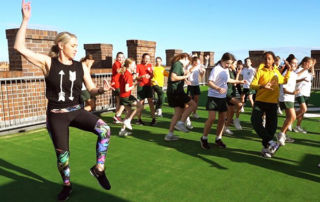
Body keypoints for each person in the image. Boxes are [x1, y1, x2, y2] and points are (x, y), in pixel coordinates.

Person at [14, 1, 113, 200]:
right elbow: (19, 47)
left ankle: (99, 168)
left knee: (105, 130)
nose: (76, 49)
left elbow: (91, 90)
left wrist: (101, 89)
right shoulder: (47, 62)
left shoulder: (81, 67)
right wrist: (25, 20)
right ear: (61, 45)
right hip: (56, 116)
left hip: (77, 111)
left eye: (77, 45)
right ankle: (67, 185)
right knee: (63, 157)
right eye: (73, 45)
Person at [200, 53, 245, 150]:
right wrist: (217, 88)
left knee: (222, 119)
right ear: (222, 60)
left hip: (222, 98)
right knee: (211, 119)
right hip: (213, 97)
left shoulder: (226, 69)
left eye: (230, 64)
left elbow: (228, 80)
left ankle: (218, 139)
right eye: (228, 63)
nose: (229, 65)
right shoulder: (216, 69)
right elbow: (209, 82)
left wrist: (239, 82)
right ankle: (204, 138)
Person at [250, 51, 291, 158]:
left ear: (273, 60)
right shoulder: (260, 70)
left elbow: (283, 81)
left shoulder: (276, 71)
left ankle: (266, 148)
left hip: (273, 103)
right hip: (260, 101)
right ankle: (271, 142)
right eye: (265, 59)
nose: (267, 61)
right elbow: (253, 85)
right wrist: (263, 86)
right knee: (255, 121)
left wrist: (289, 70)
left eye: (269, 59)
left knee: (271, 127)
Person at [165, 53, 196, 141]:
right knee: (193, 105)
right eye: (188, 62)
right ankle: (181, 123)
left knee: (178, 113)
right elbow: (173, 78)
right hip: (176, 91)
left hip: (173, 91)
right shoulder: (178, 64)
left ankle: (169, 135)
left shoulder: (177, 64)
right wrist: (185, 76)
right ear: (185, 58)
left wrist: (185, 78)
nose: (188, 64)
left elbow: (179, 74)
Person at [277, 55, 299, 145]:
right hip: (285, 98)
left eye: (296, 64)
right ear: (288, 64)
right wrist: (293, 93)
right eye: (293, 63)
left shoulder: (293, 73)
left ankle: (284, 135)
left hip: (290, 98)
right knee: (292, 117)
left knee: (290, 117)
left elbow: (299, 76)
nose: (295, 65)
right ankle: (281, 134)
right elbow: (284, 89)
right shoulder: (286, 73)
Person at [118, 58, 143, 136]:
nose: (135, 66)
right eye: (134, 65)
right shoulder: (128, 75)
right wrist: (134, 85)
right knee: (140, 106)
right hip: (126, 96)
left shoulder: (125, 73)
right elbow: (127, 88)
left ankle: (122, 130)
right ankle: (128, 121)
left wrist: (134, 80)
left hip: (123, 96)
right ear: (129, 65)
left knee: (129, 112)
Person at [293, 57, 314, 134]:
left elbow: (313, 76)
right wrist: (304, 69)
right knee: (304, 109)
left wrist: (312, 67)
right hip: (299, 93)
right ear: (304, 63)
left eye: (311, 64)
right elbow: (294, 79)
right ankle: (290, 119)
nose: (310, 65)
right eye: (309, 63)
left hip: (307, 93)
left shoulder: (308, 72)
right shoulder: (299, 70)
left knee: (302, 112)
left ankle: (297, 126)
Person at [136, 53, 156, 126]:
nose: (147, 60)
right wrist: (143, 76)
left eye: (148, 58)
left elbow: (152, 76)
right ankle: (139, 120)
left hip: (148, 86)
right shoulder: (138, 66)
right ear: (142, 58)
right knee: (141, 103)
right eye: (146, 58)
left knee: (151, 102)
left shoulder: (150, 66)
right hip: (141, 86)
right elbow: (136, 77)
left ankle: (153, 119)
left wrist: (152, 74)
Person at [224, 60, 244, 135]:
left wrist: (237, 73)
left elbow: (236, 84)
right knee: (239, 104)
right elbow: (235, 83)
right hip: (227, 93)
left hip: (232, 93)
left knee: (231, 112)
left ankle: (225, 128)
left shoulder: (233, 72)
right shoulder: (226, 71)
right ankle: (237, 120)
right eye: (235, 64)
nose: (236, 66)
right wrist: (238, 75)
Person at [111, 52, 125, 123]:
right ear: (116, 58)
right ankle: (117, 116)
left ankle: (116, 118)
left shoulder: (120, 64)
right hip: (117, 85)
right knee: (124, 101)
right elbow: (118, 70)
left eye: (122, 57)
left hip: (117, 84)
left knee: (118, 102)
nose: (120, 59)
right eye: (119, 57)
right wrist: (123, 66)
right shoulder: (117, 63)